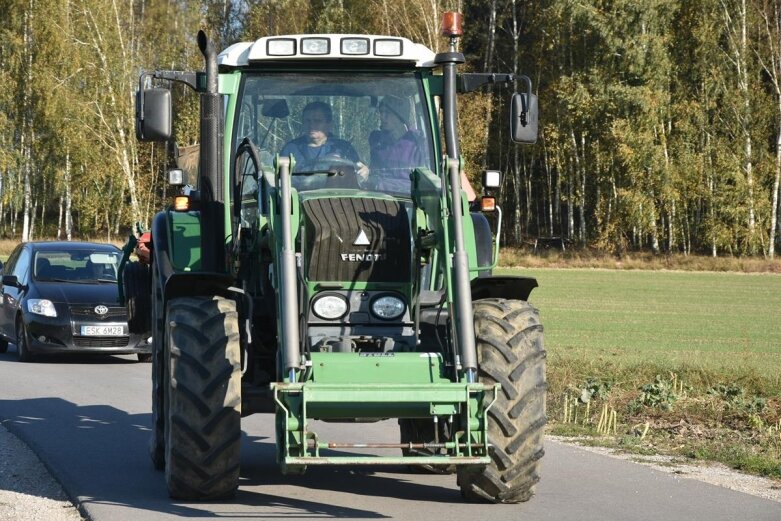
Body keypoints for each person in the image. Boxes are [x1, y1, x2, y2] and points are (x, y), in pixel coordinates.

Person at [280, 101, 367, 187]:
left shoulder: (344, 148)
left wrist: (364, 172)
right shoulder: (290, 149)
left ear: (329, 124)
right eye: (307, 121)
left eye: (317, 121)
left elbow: (358, 174)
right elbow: (283, 181)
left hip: (339, 197)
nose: (311, 125)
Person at [364, 95, 423, 192]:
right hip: (376, 198)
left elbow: (420, 185)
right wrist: (366, 171)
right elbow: (374, 172)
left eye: (387, 112)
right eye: (381, 112)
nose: (382, 116)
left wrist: (380, 185)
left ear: (400, 116)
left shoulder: (417, 144)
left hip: (407, 202)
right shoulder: (377, 141)